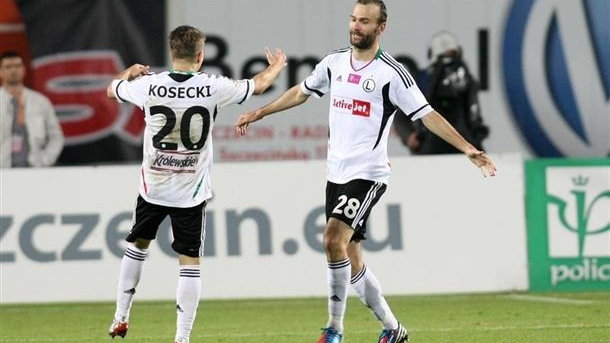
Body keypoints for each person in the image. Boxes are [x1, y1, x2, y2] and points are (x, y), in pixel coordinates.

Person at [235, 1, 496, 343]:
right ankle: (393, 329)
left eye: (365, 22)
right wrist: (260, 113)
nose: (356, 26)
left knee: (332, 239)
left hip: (368, 174)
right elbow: (301, 92)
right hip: (337, 173)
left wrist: (467, 149)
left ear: (381, 27)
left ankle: (334, 329)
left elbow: (427, 114)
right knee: (351, 253)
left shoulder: (391, 73)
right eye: (354, 19)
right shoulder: (334, 62)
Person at [105, 25, 286, 343]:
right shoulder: (213, 86)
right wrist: (277, 66)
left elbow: (111, 89)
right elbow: (258, 87)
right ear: (200, 56)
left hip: (154, 187)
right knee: (189, 263)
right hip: (190, 192)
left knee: (137, 247)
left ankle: (121, 317)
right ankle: (182, 338)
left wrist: (129, 72)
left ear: (172, 53)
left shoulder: (148, 85)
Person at [405, 31, 489, 154]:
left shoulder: (463, 78)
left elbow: (472, 109)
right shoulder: (422, 79)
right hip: (438, 138)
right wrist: (410, 135)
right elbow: (402, 113)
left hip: (453, 139)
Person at [0, 50, 64, 168]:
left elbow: (56, 136)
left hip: (34, 169)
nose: (13, 70)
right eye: (8, 67)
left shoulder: (40, 102)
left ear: (24, 69)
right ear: (1, 72)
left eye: (17, 66)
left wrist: (45, 160)